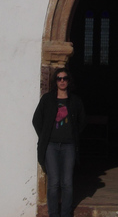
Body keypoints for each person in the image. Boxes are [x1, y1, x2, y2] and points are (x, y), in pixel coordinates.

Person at [32, 67, 86, 217]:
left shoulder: (75, 100)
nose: (62, 81)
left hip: (69, 146)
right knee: (54, 182)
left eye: (65, 78)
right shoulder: (47, 99)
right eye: (59, 78)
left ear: (69, 81)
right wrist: (44, 136)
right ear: (55, 81)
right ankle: (54, 214)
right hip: (51, 146)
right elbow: (37, 120)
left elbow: (82, 121)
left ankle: (66, 213)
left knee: (67, 182)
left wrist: (72, 134)